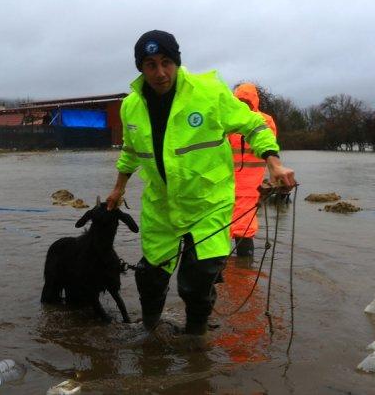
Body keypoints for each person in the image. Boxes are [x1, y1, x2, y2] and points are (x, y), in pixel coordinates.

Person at [105, 30, 295, 338]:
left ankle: (196, 339)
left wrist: (273, 162)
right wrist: (119, 187)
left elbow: (254, 125)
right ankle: (150, 329)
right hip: (161, 206)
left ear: (178, 62)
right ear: (140, 68)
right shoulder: (131, 107)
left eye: (166, 62)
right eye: (150, 64)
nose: (160, 72)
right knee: (150, 276)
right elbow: (130, 151)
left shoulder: (210, 93)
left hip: (209, 203)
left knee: (198, 279)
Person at [229, 83, 278, 257]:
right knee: (221, 229)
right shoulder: (228, 120)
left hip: (249, 187)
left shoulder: (264, 121)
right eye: (240, 102)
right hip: (227, 185)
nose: (244, 106)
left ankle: (241, 271)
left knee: (243, 228)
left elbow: (268, 143)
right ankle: (239, 271)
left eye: (246, 102)